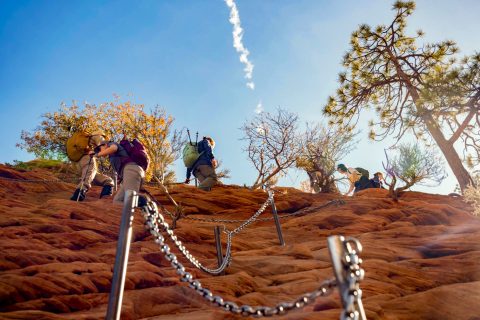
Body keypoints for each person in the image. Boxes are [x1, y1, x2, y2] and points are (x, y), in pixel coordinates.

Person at [94, 138, 146, 204]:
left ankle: (146, 204)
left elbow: (113, 148)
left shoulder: (112, 144)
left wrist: (97, 155)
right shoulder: (112, 156)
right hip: (130, 172)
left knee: (130, 200)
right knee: (118, 200)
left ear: (105, 145)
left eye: (99, 149)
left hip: (131, 170)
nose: (99, 151)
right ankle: (143, 206)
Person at [70, 132, 114, 201]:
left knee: (108, 180)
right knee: (86, 180)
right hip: (88, 159)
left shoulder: (88, 139)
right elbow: (104, 150)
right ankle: (78, 196)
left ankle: (105, 197)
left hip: (77, 163)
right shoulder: (99, 136)